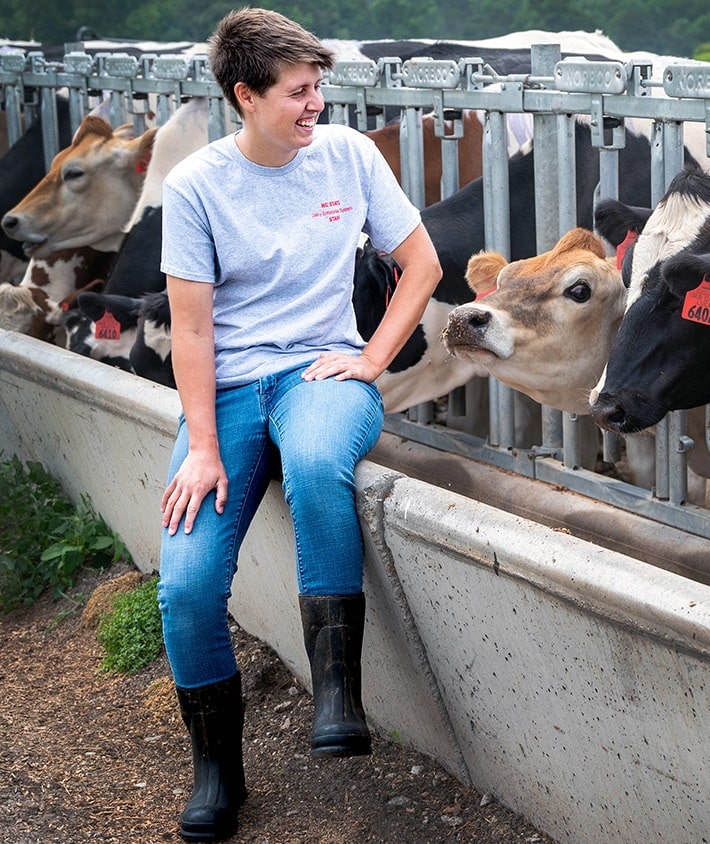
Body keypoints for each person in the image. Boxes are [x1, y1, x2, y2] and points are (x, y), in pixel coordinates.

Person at [155, 8, 441, 841]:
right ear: (246, 96)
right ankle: (217, 772)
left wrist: (373, 357)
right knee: (185, 583)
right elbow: (194, 330)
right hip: (232, 394)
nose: (317, 105)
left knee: (318, 462)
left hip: (324, 374)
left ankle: (338, 695)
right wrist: (203, 446)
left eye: (319, 88)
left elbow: (419, 263)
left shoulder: (348, 155)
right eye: (299, 93)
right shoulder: (197, 187)